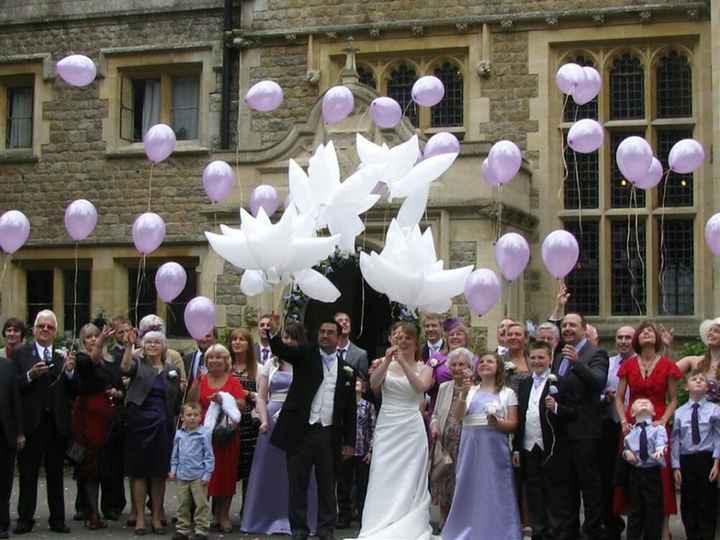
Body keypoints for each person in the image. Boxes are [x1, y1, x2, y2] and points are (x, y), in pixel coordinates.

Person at [267, 315, 357, 540]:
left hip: (329, 434)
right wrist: (274, 330)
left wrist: (349, 442)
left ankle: (326, 529)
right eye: (322, 332)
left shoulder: (347, 370)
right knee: (298, 483)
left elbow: (349, 411)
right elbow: (281, 349)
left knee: (328, 485)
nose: (325, 336)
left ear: (339, 337)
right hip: (301, 431)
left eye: (330, 332)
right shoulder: (306, 355)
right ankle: (299, 529)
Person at [355, 322, 435, 540]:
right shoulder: (383, 363)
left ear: (415, 341)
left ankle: (408, 519)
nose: (403, 341)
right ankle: (380, 520)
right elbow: (374, 385)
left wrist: (403, 363)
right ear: (391, 340)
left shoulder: (425, 367)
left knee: (410, 473)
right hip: (388, 423)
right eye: (398, 337)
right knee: (383, 471)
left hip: (411, 425)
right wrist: (388, 361)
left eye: (408, 337)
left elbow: (420, 387)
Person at [241, 322, 318, 535]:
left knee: (298, 472)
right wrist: (264, 420)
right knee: (270, 473)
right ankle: (265, 517)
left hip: (298, 419)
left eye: (293, 337)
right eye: (285, 337)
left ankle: (299, 519)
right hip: (273, 420)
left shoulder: (306, 362)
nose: (288, 341)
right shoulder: (269, 364)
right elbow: (261, 397)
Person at [442, 351, 521, 540]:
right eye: (482, 361)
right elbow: (457, 417)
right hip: (471, 447)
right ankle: (466, 529)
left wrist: (497, 423)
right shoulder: (471, 390)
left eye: (490, 362)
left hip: (495, 448)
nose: (485, 364)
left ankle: (500, 531)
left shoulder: (507, 393)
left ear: (498, 367)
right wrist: (462, 393)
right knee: (469, 486)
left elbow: (513, 424)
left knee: (495, 487)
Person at [614, 320, 681, 539]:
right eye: (642, 331)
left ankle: (663, 530)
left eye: (650, 331)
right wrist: (624, 421)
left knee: (661, 478)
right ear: (637, 339)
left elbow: (673, 399)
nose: (646, 334)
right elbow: (618, 397)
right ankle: (636, 528)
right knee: (632, 475)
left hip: (658, 425)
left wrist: (663, 421)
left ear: (657, 338)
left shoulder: (667, 365)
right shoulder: (628, 365)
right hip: (633, 425)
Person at [12, 310, 75, 535]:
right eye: (41, 326)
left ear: (55, 331)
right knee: (28, 474)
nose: (45, 330)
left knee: (56, 474)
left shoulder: (62, 355)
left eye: (49, 327)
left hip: (56, 423)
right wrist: (30, 375)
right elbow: (14, 387)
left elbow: (72, 390)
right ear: (34, 329)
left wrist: (69, 372)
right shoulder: (21, 354)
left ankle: (57, 519)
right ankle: (25, 519)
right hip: (31, 423)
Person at [552, 312, 609, 540]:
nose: (567, 328)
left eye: (572, 325)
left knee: (590, 485)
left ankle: (593, 530)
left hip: (586, 431)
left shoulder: (596, 354)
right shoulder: (559, 357)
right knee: (567, 486)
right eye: (564, 325)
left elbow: (598, 382)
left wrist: (577, 363)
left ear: (584, 329)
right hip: (563, 430)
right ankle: (570, 531)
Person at [513, 340, 576, 540]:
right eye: (533, 357)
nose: (537, 361)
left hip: (552, 447)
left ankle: (557, 533)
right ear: (528, 359)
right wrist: (516, 448)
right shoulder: (524, 385)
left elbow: (574, 412)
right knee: (534, 491)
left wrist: (557, 408)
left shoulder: (560, 382)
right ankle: (539, 532)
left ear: (550, 359)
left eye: (541, 357)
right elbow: (520, 418)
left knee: (555, 493)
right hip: (528, 446)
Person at [121, 328, 182, 535]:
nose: (153, 345)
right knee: (139, 474)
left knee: (158, 474)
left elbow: (175, 400)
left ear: (164, 346)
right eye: (149, 342)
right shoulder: (138, 365)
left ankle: (156, 516)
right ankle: (139, 517)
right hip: (139, 424)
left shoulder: (172, 370)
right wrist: (130, 345)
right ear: (143, 347)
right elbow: (124, 367)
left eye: (157, 342)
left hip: (163, 425)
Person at [188, 344, 246, 533]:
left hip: (226, 434)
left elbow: (242, 404)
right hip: (204, 435)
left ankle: (223, 515)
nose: (214, 360)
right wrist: (196, 384)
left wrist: (224, 399)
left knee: (226, 475)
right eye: (211, 358)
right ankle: (207, 516)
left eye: (219, 357)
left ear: (226, 361)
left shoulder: (233, 381)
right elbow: (192, 402)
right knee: (206, 477)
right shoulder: (202, 379)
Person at [70, 323, 123, 530]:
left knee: (105, 465)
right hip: (87, 418)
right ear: (84, 341)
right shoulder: (82, 358)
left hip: (107, 417)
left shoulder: (109, 362)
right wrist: (101, 342)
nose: (93, 339)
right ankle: (91, 513)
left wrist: (117, 393)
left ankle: (106, 507)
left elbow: (115, 384)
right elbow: (90, 364)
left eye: (96, 337)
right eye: (89, 337)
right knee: (89, 465)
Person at [671, 370, 720, 540]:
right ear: (686, 387)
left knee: (707, 500)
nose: (698, 381)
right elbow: (675, 440)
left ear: (707, 387)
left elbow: (718, 436)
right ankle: (691, 534)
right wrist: (675, 465)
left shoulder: (715, 410)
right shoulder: (679, 413)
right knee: (688, 500)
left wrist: (716, 461)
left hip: (706, 458)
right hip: (687, 460)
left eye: (702, 379)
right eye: (694, 379)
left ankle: (707, 535)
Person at [429, 347, 474, 527]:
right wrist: (434, 425)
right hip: (445, 443)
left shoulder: (475, 388)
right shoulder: (444, 387)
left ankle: (462, 523)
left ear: (469, 366)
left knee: (461, 481)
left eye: (461, 364)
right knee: (443, 482)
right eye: (453, 364)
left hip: (465, 442)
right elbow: (435, 413)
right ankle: (445, 522)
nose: (457, 368)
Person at [334, 312, 368, 528]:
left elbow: (363, 382)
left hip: (356, 413)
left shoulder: (360, 354)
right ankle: (342, 512)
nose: (344, 323)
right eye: (339, 321)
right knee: (340, 473)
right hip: (335, 416)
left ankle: (359, 511)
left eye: (347, 320)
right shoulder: (325, 352)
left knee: (358, 476)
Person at [601, 326, 635, 540]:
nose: (623, 341)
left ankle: (637, 526)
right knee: (609, 478)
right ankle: (612, 525)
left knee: (635, 479)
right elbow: (597, 390)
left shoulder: (642, 363)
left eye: (628, 337)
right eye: (619, 337)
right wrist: (606, 396)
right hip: (610, 428)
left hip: (635, 430)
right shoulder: (608, 364)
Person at [621, 398, 667, 540]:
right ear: (632, 412)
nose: (643, 403)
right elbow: (626, 448)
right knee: (635, 511)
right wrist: (625, 453)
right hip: (635, 474)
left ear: (653, 411)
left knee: (653, 511)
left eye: (647, 403)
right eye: (639, 403)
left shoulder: (658, 429)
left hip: (651, 473)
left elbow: (661, 442)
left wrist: (660, 450)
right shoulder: (630, 434)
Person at [169, 402, 214, 540]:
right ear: (182, 417)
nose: (192, 418)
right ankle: (182, 529)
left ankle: (201, 529)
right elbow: (175, 454)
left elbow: (209, 455)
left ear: (201, 417)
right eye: (189, 415)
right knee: (183, 504)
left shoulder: (204, 434)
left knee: (201, 504)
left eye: (196, 415)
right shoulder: (179, 434)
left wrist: (207, 474)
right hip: (182, 475)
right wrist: (173, 469)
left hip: (198, 476)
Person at [227, 327, 260, 512]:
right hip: (229, 422)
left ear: (249, 344)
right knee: (227, 468)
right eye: (234, 339)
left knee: (249, 470)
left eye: (242, 339)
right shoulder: (225, 366)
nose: (237, 342)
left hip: (250, 423)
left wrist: (246, 393)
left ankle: (247, 511)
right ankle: (220, 512)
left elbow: (262, 396)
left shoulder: (257, 368)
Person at [426, 318, 475, 417]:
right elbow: (425, 385)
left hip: (467, 406)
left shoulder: (475, 359)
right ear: (447, 339)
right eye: (451, 335)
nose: (455, 337)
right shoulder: (436, 357)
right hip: (440, 406)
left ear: (466, 338)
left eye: (459, 334)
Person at [0, 340, 23, 539]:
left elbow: (16, 401)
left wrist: (19, 432)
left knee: (4, 481)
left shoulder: (7, 366)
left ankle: (2, 523)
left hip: (4, 433)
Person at [676, 318, 720, 402]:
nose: (710, 333)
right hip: (697, 413)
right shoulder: (694, 361)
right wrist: (666, 347)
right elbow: (667, 372)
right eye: (710, 330)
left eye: (716, 331)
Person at [184, 330, 217, 396]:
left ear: (215, 338)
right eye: (200, 336)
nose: (204, 339)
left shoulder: (220, 360)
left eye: (208, 336)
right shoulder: (187, 359)